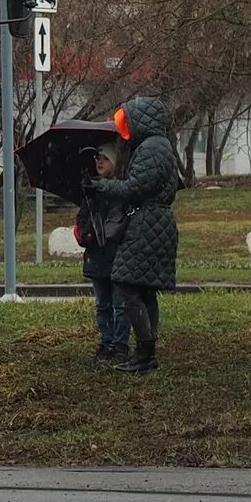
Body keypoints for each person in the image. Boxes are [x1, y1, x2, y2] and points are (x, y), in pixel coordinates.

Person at [85, 98, 180, 373]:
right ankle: (145, 352)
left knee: (129, 285)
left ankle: (145, 353)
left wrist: (104, 186)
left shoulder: (151, 148)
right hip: (154, 221)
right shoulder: (157, 146)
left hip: (148, 222)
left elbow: (137, 187)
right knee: (144, 288)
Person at [76, 142, 130, 366]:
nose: (99, 161)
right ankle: (106, 342)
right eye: (97, 157)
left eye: (105, 158)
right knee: (103, 305)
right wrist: (86, 232)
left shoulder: (123, 192)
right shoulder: (91, 192)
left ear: (115, 163)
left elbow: (124, 224)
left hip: (117, 257)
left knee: (120, 305)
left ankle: (120, 346)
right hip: (97, 258)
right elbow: (82, 221)